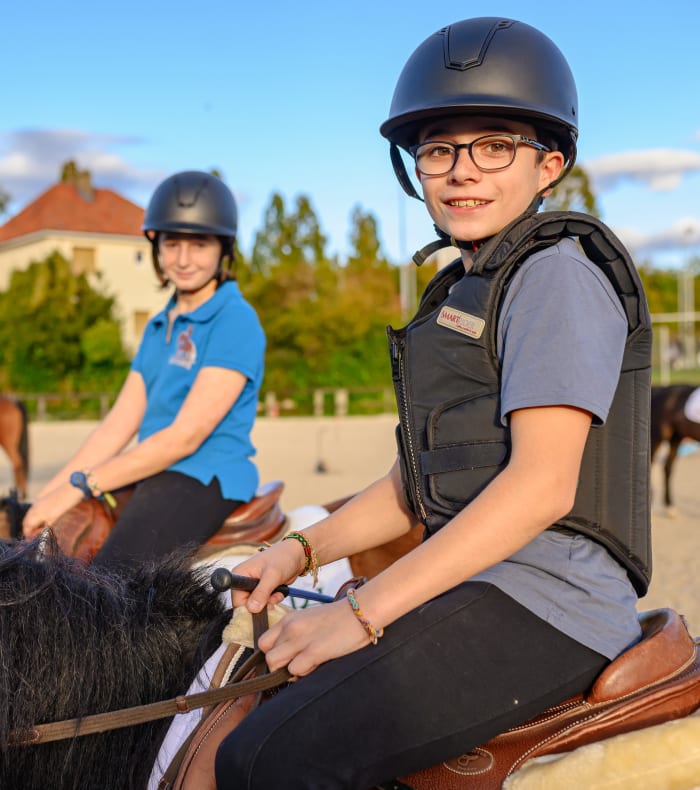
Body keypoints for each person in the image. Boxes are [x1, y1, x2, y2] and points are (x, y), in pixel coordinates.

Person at [214, 17, 652, 789]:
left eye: (493, 146)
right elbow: (409, 487)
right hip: (479, 576)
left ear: (549, 165)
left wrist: (359, 611)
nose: (460, 171)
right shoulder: (462, 292)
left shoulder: (556, 277)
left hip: (553, 602)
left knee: (265, 756)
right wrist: (297, 550)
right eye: (438, 149)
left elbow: (542, 486)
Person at [23, 171, 266, 566]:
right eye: (172, 243)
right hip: (154, 470)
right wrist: (50, 495)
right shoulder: (159, 326)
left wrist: (82, 486)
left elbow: (184, 438)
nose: (183, 259)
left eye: (199, 243)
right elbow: (116, 426)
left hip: (205, 475)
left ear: (224, 248)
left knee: (108, 583)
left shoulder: (235, 320)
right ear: (157, 245)